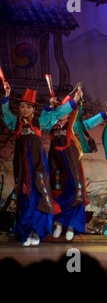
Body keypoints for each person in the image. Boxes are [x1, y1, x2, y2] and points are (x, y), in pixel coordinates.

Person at [1, 81, 83, 245]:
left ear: (34, 109)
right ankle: (27, 231)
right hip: (22, 166)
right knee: (25, 195)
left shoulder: (41, 122)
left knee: (41, 193)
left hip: (38, 165)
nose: (24, 110)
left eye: (28, 107)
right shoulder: (16, 123)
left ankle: (38, 232)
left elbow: (58, 112)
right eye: (22, 106)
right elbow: (5, 114)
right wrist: (7, 96)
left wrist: (74, 100)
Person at [45, 94, 107, 241]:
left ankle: (71, 226)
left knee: (75, 193)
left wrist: (105, 115)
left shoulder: (73, 125)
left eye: (64, 112)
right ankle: (58, 223)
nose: (61, 114)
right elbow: (44, 120)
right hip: (56, 165)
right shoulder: (51, 124)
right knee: (57, 192)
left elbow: (88, 124)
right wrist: (49, 107)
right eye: (59, 110)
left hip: (71, 164)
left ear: (69, 113)